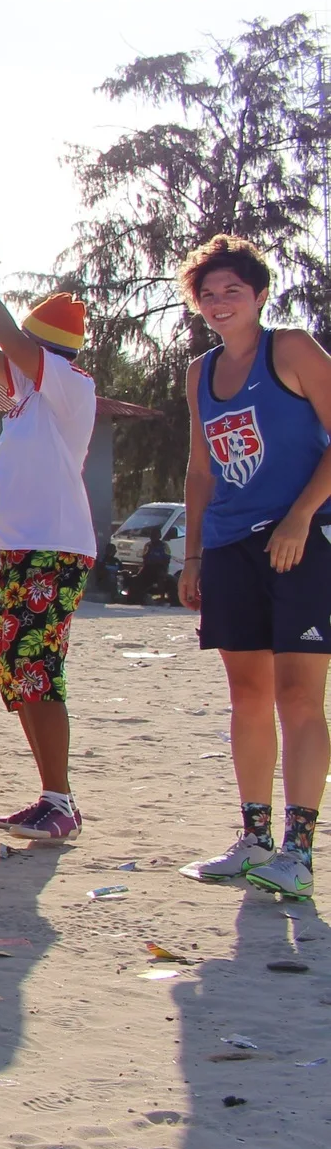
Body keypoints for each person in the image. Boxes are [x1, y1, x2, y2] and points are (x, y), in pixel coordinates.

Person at [177, 235, 327, 902]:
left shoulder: (289, 349)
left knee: (299, 695)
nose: (219, 302)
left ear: (260, 294)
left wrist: (301, 516)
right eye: (207, 294)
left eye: (232, 290)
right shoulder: (198, 372)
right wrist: (193, 553)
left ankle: (300, 850)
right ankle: (254, 838)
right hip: (232, 546)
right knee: (248, 696)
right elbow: (201, 467)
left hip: (301, 538)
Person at [0, 221, 99, 844]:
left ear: (46, 352)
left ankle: (61, 801)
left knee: (40, 669)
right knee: (20, 673)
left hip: (54, 548)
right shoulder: (24, 391)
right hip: (15, 549)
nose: (8, 357)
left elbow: (4, 336)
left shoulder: (69, 386)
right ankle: (50, 797)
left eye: (24, 348)